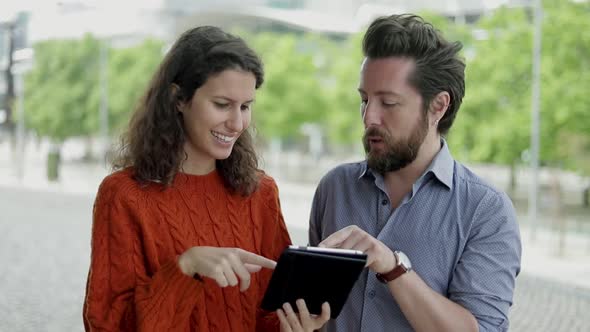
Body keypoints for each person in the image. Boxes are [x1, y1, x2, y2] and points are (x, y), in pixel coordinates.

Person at [83, 26, 329, 332]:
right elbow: (107, 324)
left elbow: (266, 315)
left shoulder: (261, 193)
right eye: (222, 105)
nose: (237, 123)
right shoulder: (124, 195)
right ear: (178, 99)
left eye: (245, 106)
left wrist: (293, 326)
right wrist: (186, 266)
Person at [309, 14, 521, 332]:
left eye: (389, 103)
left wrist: (394, 268)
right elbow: (313, 308)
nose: (369, 117)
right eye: (364, 100)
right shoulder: (335, 188)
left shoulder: (486, 211)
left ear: (438, 106)